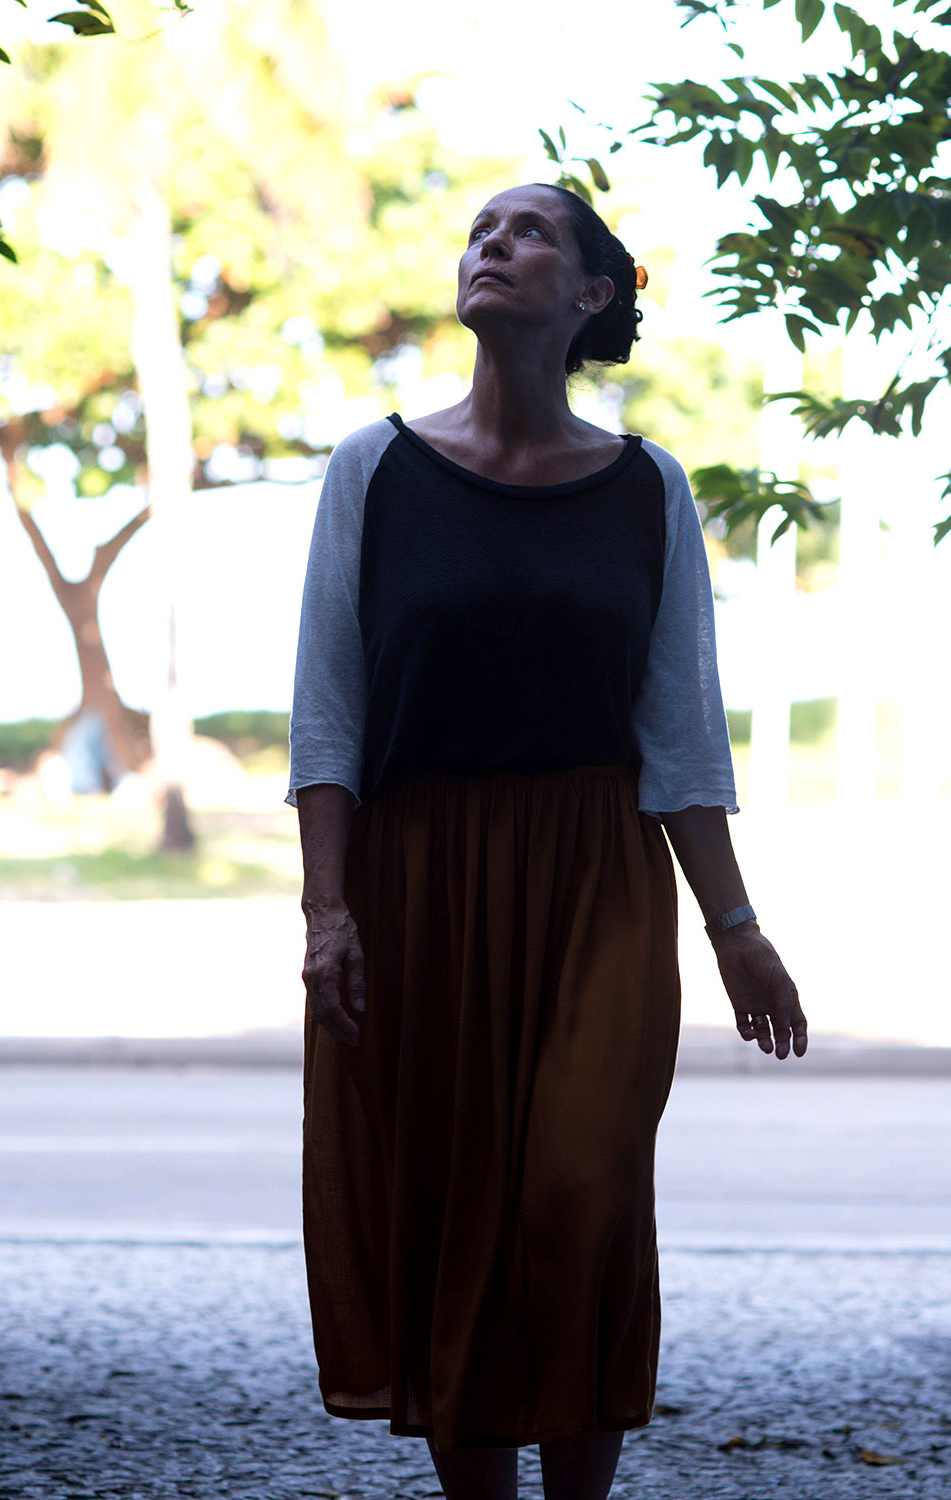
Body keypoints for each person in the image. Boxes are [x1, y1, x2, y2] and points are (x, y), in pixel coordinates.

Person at [289, 182, 806, 1500]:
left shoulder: (647, 489)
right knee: (457, 1209)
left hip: (597, 886)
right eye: (481, 231)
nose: (493, 247)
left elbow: (680, 733)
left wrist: (737, 930)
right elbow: (329, 714)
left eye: (529, 234)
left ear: (592, 294)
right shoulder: (374, 469)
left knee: (584, 1202)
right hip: (420, 882)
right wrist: (329, 914)